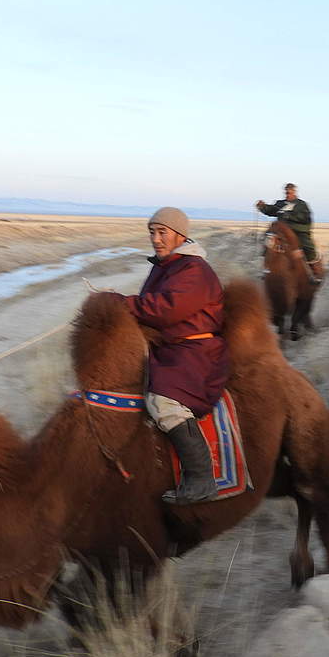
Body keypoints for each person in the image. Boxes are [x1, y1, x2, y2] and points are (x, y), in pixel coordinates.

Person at [124, 207, 228, 505]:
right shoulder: (166, 265)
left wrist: (121, 303)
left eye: (162, 232)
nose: (156, 239)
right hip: (170, 346)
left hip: (195, 352)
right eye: (152, 232)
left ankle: (201, 479)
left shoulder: (193, 270)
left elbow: (166, 308)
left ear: (180, 235)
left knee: (163, 402)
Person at [256, 183, 323, 283]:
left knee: (307, 246)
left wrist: (290, 216)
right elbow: (271, 210)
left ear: (294, 192)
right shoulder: (280, 203)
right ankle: (267, 269)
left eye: (290, 192)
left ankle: (314, 273)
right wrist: (262, 207)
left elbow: (305, 218)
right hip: (281, 230)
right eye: (286, 192)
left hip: (297, 230)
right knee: (268, 240)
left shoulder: (301, 205)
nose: (288, 194)